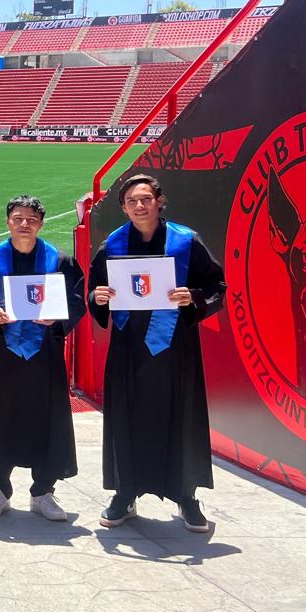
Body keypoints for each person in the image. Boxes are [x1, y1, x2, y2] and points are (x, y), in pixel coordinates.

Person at [90, 174, 225, 532]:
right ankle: (125, 492)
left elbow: (216, 286)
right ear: (123, 207)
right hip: (128, 348)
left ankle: (186, 496)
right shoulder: (112, 245)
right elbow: (95, 291)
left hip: (174, 348)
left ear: (158, 201)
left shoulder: (186, 241)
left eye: (146, 198)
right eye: (132, 200)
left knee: (179, 418)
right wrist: (97, 298)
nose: (139, 205)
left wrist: (193, 296)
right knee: (126, 419)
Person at [0, 196, 85, 520]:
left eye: (31, 219)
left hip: (45, 355)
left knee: (46, 420)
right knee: (0, 420)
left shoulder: (59, 260)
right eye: (18, 218)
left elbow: (77, 302)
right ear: (7, 221)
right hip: (2, 355)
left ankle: (43, 491)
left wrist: (57, 318)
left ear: (40, 223)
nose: (24, 224)